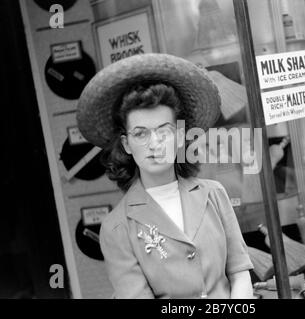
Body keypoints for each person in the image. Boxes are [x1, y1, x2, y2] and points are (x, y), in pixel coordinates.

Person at [76, 53, 254, 299]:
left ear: (180, 136)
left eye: (164, 131)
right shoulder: (117, 227)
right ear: (126, 144)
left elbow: (240, 273)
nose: (154, 144)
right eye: (141, 134)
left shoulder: (214, 194)